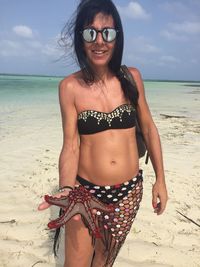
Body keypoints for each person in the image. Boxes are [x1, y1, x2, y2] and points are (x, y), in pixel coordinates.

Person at [38, 0, 168, 266]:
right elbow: (71, 145)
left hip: (129, 193)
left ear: (117, 37)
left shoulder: (131, 77)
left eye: (107, 32)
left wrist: (160, 180)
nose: (99, 41)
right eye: (90, 33)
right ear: (80, 38)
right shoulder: (69, 87)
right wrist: (66, 189)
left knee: (104, 260)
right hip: (85, 194)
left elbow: (149, 129)